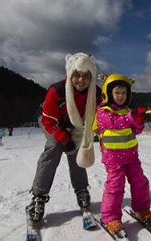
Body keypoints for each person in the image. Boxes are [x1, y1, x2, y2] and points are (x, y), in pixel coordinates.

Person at [26, 53, 102, 224]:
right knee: (54, 147)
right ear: (70, 74)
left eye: (86, 76)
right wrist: (63, 138)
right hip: (52, 121)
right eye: (77, 75)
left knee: (76, 150)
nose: (81, 80)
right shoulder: (57, 90)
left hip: (75, 125)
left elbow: (104, 112)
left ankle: (81, 190)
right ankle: (38, 196)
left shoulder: (96, 93)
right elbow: (48, 119)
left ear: (92, 77)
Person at [93, 73, 151, 235]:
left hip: (132, 156)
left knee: (140, 182)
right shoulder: (103, 112)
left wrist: (139, 120)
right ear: (109, 93)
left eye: (124, 93)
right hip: (113, 159)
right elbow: (115, 123)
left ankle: (141, 208)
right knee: (115, 186)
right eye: (117, 92)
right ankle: (110, 217)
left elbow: (136, 130)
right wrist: (131, 117)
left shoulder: (127, 111)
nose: (120, 96)